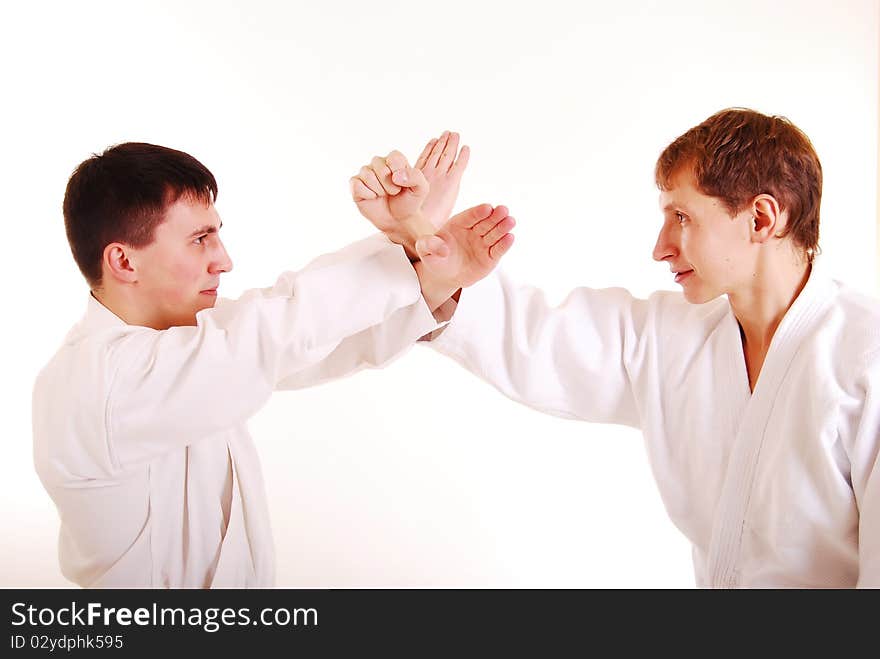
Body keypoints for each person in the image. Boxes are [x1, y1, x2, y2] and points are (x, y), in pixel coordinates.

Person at [362, 110, 880, 588]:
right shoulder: (669, 339)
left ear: (761, 219)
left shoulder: (864, 357)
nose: (660, 247)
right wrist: (423, 242)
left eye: (682, 216)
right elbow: (537, 341)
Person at [32, 139, 515, 588]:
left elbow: (319, 343)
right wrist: (409, 240)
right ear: (123, 262)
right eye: (199, 239)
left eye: (217, 235)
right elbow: (277, 328)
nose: (224, 260)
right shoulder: (100, 381)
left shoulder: (189, 343)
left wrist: (420, 248)